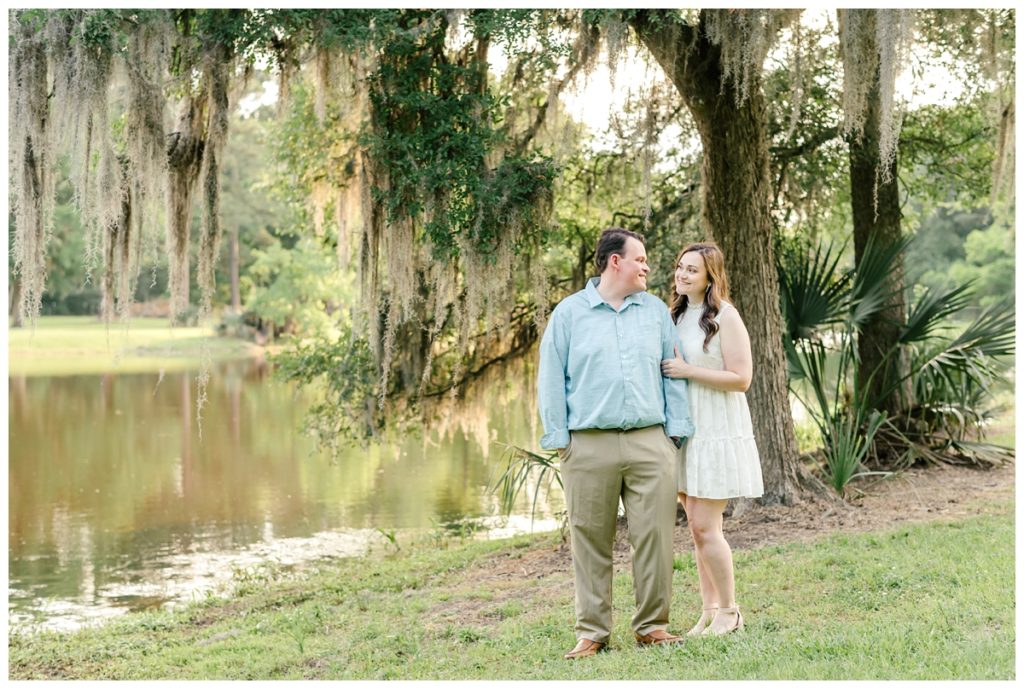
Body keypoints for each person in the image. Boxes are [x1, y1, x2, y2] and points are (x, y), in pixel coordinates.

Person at [537, 227, 695, 660]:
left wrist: (674, 434)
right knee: (590, 539)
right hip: (588, 446)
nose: (647, 267)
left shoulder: (655, 314)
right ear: (615, 262)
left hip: (651, 442)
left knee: (656, 537)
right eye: (640, 259)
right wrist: (561, 441)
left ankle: (652, 626)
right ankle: (592, 632)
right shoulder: (569, 314)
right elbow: (550, 378)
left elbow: (673, 370)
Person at [660, 241, 764, 636]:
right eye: (680, 267)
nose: (682, 274)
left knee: (707, 526)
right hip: (686, 430)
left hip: (716, 427)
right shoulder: (676, 314)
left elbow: (741, 378)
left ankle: (731, 611)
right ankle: (708, 610)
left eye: (692, 270)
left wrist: (688, 371)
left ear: (710, 277)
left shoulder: (725, 315)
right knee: (695, 527)